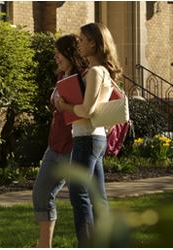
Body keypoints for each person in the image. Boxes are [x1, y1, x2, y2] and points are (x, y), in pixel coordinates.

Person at [55, 23, 122, 247]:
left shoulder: (95, 71)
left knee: (78, 194)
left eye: (83, 40)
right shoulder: (101, 70)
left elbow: (87, 110)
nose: (79, 44)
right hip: (96, 137)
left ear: (93, 43)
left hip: (87, 137)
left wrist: (64, 106)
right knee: (98, 196)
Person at [32, 34, 88, 248]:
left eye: (59, 52)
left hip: (74, 146)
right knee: (41, 195)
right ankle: (44, 245)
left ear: (70, 53)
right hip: (54, 145)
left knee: (80, 200)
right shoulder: (62, 77)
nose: (55, 56)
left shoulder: (84, 77)